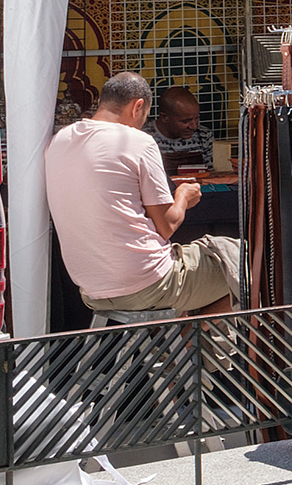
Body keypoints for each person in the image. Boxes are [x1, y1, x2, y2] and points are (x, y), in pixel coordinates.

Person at [43, 71, 238, 317]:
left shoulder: (60, 140)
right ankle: (193, 336)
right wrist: (183, 197)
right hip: (147, 283)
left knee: (219, 262)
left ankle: (189, 334)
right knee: (248, 265)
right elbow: (167, 225)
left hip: (91, 288)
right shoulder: (137, 141)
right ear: (138, 106)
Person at [146, 85, 214, 173]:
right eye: (186, 121)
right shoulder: (145, 138)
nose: (193, 126)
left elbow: (213, 174)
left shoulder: (204, 136)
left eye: (196, 118)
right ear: (164, 117)